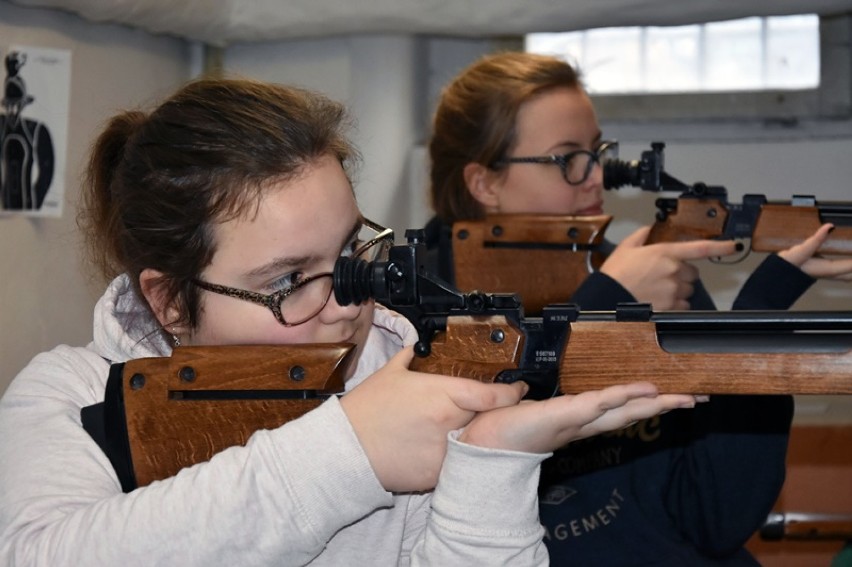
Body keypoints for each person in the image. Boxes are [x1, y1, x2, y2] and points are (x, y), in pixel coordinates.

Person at [0, 77, 701, 566]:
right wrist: (351, 450)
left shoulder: (403, 366)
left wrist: (491, 463)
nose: (345, 301)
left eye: (349, 253)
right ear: (170, 302)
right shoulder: (70, 397)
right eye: (286, 281)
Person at [425, 51, 852, 566]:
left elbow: (719, 517)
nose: (596, 177)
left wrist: (759, 313)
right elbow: (472, 431)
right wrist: (607, 300)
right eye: (567, 159)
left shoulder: (647, 276)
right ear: (484, 183)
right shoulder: (420, 305)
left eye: (596, 151)